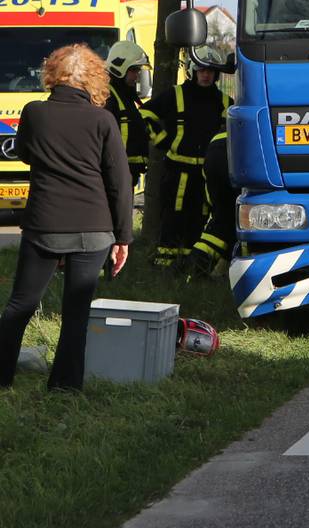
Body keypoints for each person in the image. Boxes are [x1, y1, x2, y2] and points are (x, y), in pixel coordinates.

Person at [0, 45, 132, 391]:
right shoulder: (103, 120)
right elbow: (120, 182)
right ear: (94, 79)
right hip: (94, 228)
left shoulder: (33, 112)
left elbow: (24, 153)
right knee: (76, 312)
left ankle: (2, 376)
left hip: (44, 225)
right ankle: (64, 386)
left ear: (52, 75)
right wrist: (123, 237)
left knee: (21, 304)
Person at [140, 48, 232, 268]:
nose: (206, 75)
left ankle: (192, 266)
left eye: (210, 71)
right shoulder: (175, 94)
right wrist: (163, 141)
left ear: (216, 74)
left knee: (201, 217)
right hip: (177, 171)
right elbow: (144, 114)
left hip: (207, 175)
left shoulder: (225, 102)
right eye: (201, 70)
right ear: (192, 71)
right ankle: (165, 265)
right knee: (173, 216)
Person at [185, 130, 234, 277]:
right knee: (241, 218)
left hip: (215, 146)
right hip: (242, 145)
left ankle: (193, 272)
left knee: (223, 218)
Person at [103, 41, 152, 190]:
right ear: (121, 68)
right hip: (113, 176)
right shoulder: (108, 98)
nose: (137, 76)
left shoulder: (125, 94)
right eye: (134, 70)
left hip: (125, 174)